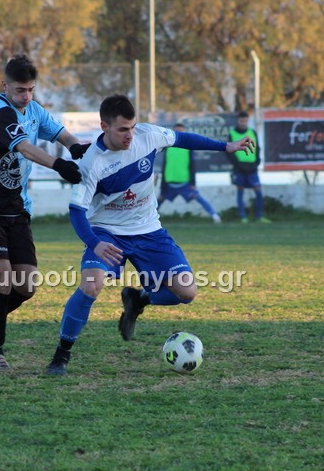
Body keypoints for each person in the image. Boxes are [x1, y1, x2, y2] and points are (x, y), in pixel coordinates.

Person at [45, 94, 255, 375]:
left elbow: (182, 138)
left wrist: (225, 146)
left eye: (132, 127)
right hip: (107, 232)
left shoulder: (147, 135)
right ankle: (61, 355)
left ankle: (139, 299)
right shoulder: (91, 163)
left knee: (187, 291)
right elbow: (76, 211)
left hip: (149, 230)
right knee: (91, 285)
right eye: (122, 129)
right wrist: (94, 243)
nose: (130, 135)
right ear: (104, 126)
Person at [0, 54, 88, 371]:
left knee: (26, 287)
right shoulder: (0, 114)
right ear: (4, 85)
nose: (26, 96)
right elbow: (24, 147)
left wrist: (76, 147)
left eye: (30, 89)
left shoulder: (33, 109)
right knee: (3, 281)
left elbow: (60, 133)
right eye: (20, 90)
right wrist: (59, 165)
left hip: (17, 209)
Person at [158, 123, 222, 223]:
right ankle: (146, 219)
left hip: (185, 183)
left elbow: (192, 166)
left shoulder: (188, 148)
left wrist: (193, 183)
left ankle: (215, 215)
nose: (179, 133)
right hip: (169, 183)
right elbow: (164, 166)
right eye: (176, 131)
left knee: (199, 197)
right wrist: (163, 185)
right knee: (158, 201)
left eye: (181, 131)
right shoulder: (167, 147)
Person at [227, 111, 270, 223]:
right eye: (241, 121)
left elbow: (257, 148)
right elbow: (229, 152)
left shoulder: (252, 132)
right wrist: (237, 164)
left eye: (245, 121)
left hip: (252, 167)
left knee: (258, 191)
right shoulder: (232, 134)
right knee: (240, 192)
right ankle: (242, 216)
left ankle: (259, 216)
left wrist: (257, 162)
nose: (243, 123)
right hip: (239, 168)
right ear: (238, 121)